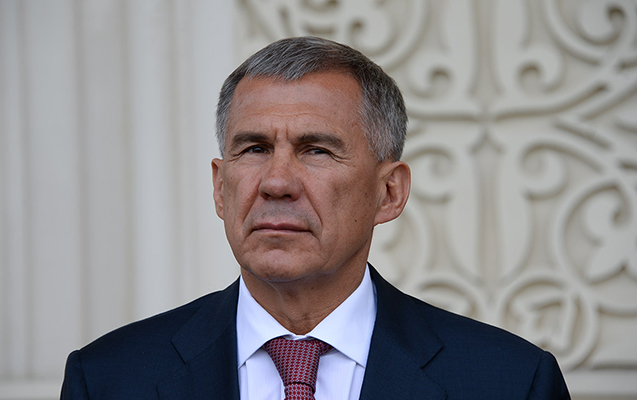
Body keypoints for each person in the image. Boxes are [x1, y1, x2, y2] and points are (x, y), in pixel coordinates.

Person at [61, 36, 570, 400]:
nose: (276, 182)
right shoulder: (107, 380)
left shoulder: (510, 382)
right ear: (220, 187)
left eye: (316, 150)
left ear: (389, 192)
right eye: (255, 148)